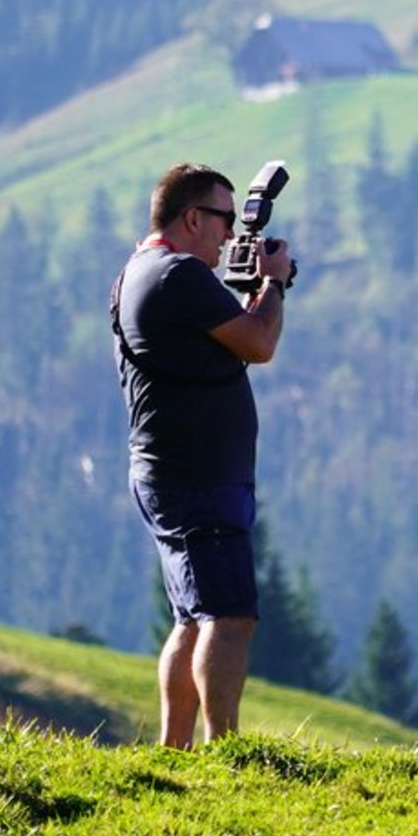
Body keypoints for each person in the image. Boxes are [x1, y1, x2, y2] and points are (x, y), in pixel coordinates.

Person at [112, 162, 294, 748]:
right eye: (222, 219)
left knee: (192, 620)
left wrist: (249, 291)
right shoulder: (177, 275)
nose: (229, 236)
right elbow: (258, 342)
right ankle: (226, 750)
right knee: (229, 616)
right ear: (192, 216)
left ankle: (176, 750)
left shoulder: (141, 272)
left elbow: (224, 334)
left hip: (173, 472)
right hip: (198, 477)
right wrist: (274, 283)